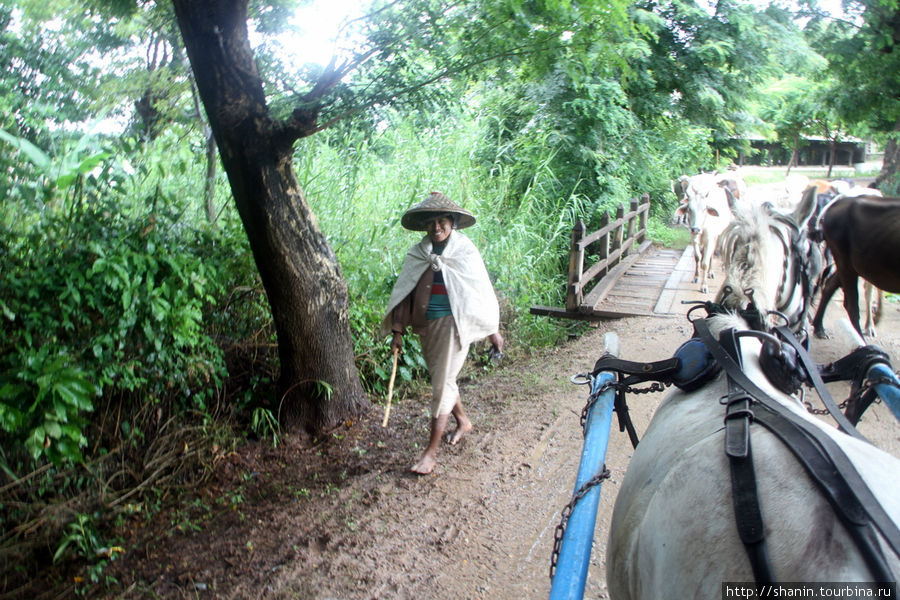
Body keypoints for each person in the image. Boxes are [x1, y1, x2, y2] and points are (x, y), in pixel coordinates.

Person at [381, 192, 504, 475]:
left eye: (442, 221)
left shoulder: (464, 251)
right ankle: (463, 421)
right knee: (443, 379)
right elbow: (405, 293)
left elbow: (479, 292)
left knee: (441, 386)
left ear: (452, 223)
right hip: (427, 326)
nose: (437, 227)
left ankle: (430, 453)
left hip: (455, 326)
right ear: (425, 225)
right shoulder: (418, 254)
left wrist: (492, 331)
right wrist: (398, 330)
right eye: (432, 222)